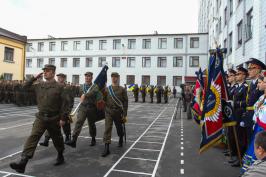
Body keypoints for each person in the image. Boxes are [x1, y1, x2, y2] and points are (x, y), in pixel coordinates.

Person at [9, 64, 69, 173]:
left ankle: (60, 155)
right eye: (44, 70)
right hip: (41, 117)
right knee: (33, 136)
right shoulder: (39, 85)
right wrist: (34, 78)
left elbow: (65, 103)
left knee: (57, 139)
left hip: (54, 118)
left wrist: (63, 118)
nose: (45, 72)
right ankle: (23, 162)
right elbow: (24, 87)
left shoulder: (59, 87)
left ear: (53, 73)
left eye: (47, 71)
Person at [66, 72, 103, 148]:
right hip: (83, 107)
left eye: (88, 76)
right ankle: (74, 140)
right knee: (79, 122)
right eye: (86, 76)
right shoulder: (81, 86)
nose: (87, 78)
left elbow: (93, 92)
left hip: (91, 108)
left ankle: (93, 138)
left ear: (91, 78)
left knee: (91, 124)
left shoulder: (95, 86)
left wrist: (85, 95)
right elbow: (78, 94)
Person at [39, 73, 74, 146]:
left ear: (64, 79)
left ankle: (67, 138)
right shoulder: (55, 86)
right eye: (58, 78)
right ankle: (46, 140)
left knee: (66, 125)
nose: (58, 79)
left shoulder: (67, 88)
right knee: (50, 125)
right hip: (55, 110)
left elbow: (70, 100)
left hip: (64, 110)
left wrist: (68, 110)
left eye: (60, 78)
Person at [102, 72, 128, 157]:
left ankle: (120, 136)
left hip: (118, 112)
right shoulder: (107, 89)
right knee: (107, 128)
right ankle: (106, 147)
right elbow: (104, 100)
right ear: (111, 78)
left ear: (118, 78)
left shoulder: (122, 89)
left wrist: (124, 114)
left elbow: (125, 102)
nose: (114, 78)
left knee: (119, 128)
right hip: (109, 111)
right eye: (112, 77)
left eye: (116, 77)